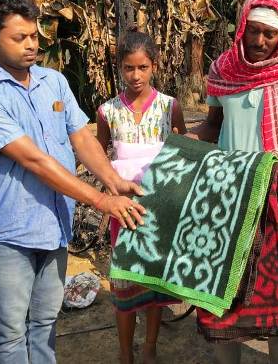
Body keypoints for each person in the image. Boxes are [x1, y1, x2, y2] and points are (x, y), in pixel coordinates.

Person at [0, 0, 146, 363]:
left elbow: (81, 137)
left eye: (34, 34)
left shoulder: (54, 82)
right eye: (19, 37)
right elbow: (35, 161)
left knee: (45, 320)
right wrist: (102, 201)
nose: (32, 44)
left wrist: (112, 179)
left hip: (54, 225)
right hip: (9, 231)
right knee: (12, 330)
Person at [189, 0, 278, 364]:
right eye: (253, 31)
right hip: (227, 189)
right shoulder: (223, 68)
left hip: (276, 192)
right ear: (242, 28)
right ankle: (226, 356)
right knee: (224, 280)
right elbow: (213, 126)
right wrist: (183, 141)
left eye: (269, 34)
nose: (260, 41)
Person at [96, 29, 187, 364]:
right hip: (123, 209)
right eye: (129, 68)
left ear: (154, 66)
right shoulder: (107, 112)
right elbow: (103, 157)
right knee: (122, 279)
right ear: (119, 68)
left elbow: (179, 151)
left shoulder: (169, 107)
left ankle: (149, 348)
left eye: (143, 67)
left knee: (154, 280)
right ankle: (124, 352)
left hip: (160, 208)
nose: (136, 75)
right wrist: (109, 191)